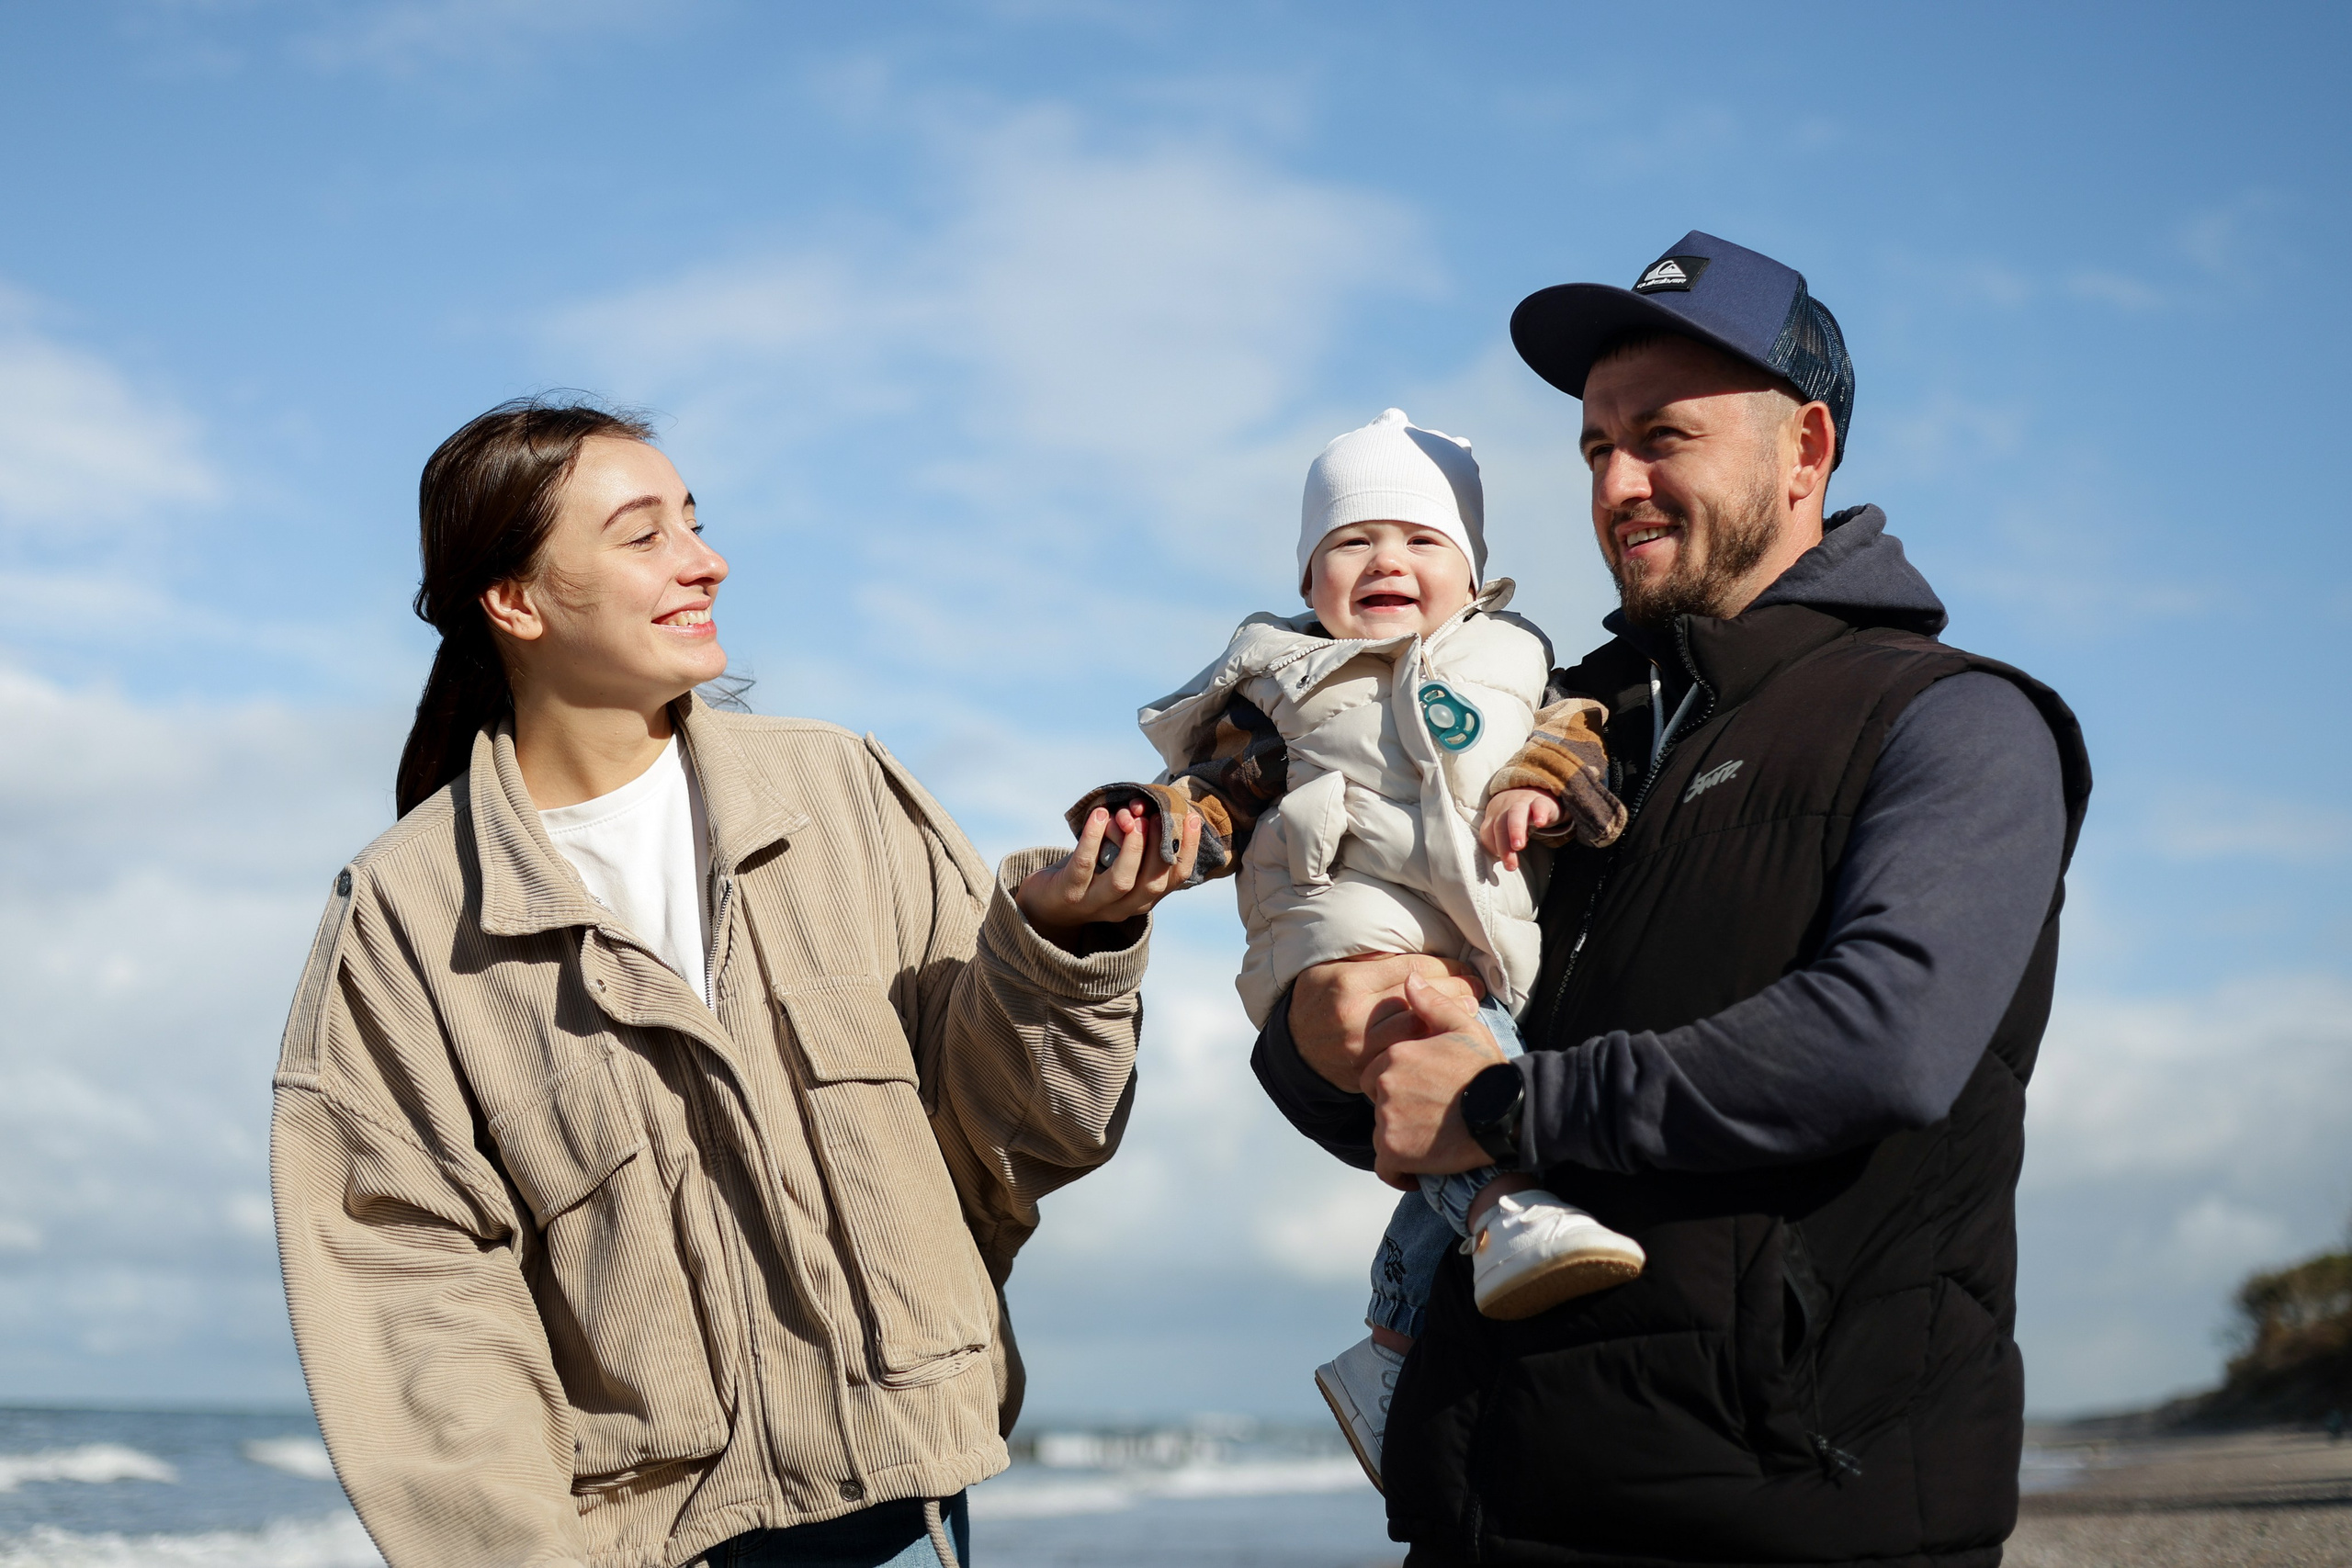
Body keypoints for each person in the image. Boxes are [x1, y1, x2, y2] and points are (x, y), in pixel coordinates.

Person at [1251, 232, 2093, 1566]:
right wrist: (1316, 1024)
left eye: (1663, 438)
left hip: (1787, 1512)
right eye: (1594, 448)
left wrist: (1503, 1108)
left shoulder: (1955, 721)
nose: (1619, 486)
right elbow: (1404, 1055)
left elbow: (1885, 1038)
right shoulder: (1552, 721)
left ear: (1805, 447)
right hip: (1485, 1504)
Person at [270, 398, 1196, 1568]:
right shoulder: (408, 916)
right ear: (514, 600)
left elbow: (1019, 1143)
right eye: (641, 534)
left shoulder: (840, 791)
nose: (704, 561)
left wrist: (1055, 947)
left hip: (913, 1521)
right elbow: (414, 1301)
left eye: (693, 524)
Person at [1066, 408, 1645, 1488]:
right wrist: (1149, 831)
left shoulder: (1515, 665)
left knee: (1457, 1071)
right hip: (1336, 927)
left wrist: (1540, 793)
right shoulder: (1290, 684)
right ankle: (1498, 1206)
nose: (1386, 561)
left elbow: (1572, 745)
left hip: (1477, 946)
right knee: (1440, 1064)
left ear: (1472, 573)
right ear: (1308, 571)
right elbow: (1216, 799)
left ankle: (1386, 1353)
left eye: (1423, 541)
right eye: (1351, 542)